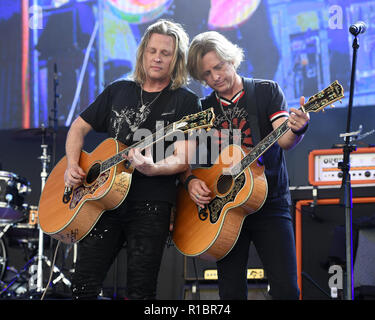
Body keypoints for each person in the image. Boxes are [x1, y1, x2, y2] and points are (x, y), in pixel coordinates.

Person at [63, 19, 200, 300]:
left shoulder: (187, 103)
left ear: (176, 59)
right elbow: (77, 127)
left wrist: (154, 167)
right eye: (153, 51)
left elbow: (184, 160)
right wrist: (72, 165)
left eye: (166, 53)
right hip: (102, 203)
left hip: (151, 205)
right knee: (82, 285)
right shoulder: (118, 91)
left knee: (140, 290)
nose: (158, 58)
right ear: (143, 53)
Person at [182, 31, 310, 300]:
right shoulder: (202, 109)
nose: (215, 77)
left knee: (287, 288)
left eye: (219, 67)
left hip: (269, 202)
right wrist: (190, 181)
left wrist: (298, 128)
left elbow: (285, 139)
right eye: (206, 74)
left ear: (232, 59)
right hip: (225, 208)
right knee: (229, 292)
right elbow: (185, 159)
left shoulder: (265, 91)